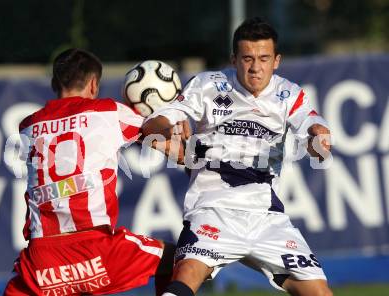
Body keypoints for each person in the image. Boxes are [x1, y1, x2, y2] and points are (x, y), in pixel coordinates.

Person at [142, 17, 333, 296]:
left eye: (264, 58)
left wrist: (318, 139)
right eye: (247, 58)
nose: (255, 67)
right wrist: (170, 136)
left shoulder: (289, 94)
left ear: (276, 61)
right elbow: (153, 125)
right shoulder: (208, 85)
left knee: (320, 292)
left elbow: (314, 128)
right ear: (234, 59)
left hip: (267, 218)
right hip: (213, 210)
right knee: (186, 276)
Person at [4, 48, 178, 296]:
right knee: (180, 259)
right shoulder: (107, 112)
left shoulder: (28, 126)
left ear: (54, 82)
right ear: (94, 84)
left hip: (42, 262)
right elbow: (157, 132)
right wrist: (169, 118)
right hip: (98, 251)